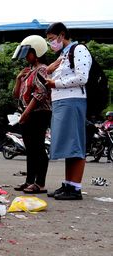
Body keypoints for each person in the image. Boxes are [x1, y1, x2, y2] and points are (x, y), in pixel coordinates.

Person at [45, 22, 92, 200]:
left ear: (61, 35)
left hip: (73, 101)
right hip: (61, 101)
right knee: (68, 146)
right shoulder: (63, 54)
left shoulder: (78, 49)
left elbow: (82, 77)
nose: (51, 44)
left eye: (51, 39)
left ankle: (76, 188)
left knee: (76, 145)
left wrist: (54, 83)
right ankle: (68, 184)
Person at [11, 35, 52, 194]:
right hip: (27, 114)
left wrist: (26, 113)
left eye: (29, 53)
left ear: (37, 51)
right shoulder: (28, 71)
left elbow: (40, 94)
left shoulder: (42, 69)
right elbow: (16, 95)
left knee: (38, 148)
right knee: (30, 149)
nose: (26, 56)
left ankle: (40, 183)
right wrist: (18, 79)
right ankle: (29, 181)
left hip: (39, 113)